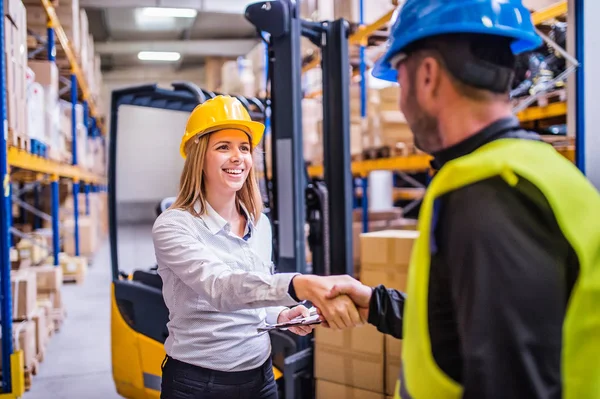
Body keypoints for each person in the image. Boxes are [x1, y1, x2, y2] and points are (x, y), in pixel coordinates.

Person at [325, 1, 600, 399]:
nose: (401, 103)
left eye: (399, 81)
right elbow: (473, 328)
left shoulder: (490, 194)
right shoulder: (531, 169)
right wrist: (377, 305)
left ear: (428, 75)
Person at [152, 95, 362, 399]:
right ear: (199, 155)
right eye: (223, 147)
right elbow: (222, 288)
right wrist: (297, 284)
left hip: (260, 378)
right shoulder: (174, 225)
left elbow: (254, 296)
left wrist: (280, 315)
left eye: (244, 148)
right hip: (198, 384)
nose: (238, 157)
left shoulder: (259, 224)